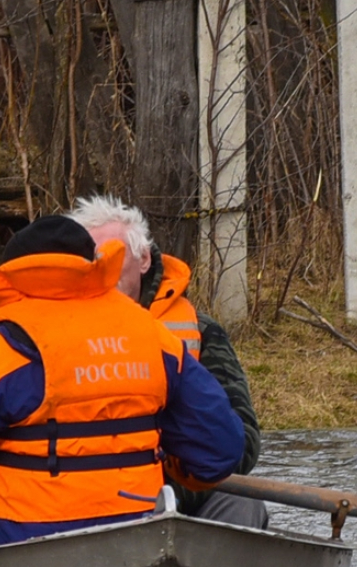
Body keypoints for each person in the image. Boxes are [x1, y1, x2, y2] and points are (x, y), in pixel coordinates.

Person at [0, 216, 245, 552]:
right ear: (92, 264)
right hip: (139, 534)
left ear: (11, 273)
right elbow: (220, 452)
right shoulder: (153, 336)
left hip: (23, 543)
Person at [65, 194, 270, 529]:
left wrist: (167, 491)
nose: (101, 270)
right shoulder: (49, 330)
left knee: (241, 501)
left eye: (113, 258)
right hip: (82, 496)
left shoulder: (201, 332)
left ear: (143, 259)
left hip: (179, 492)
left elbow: (243, 444)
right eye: (91, 260)